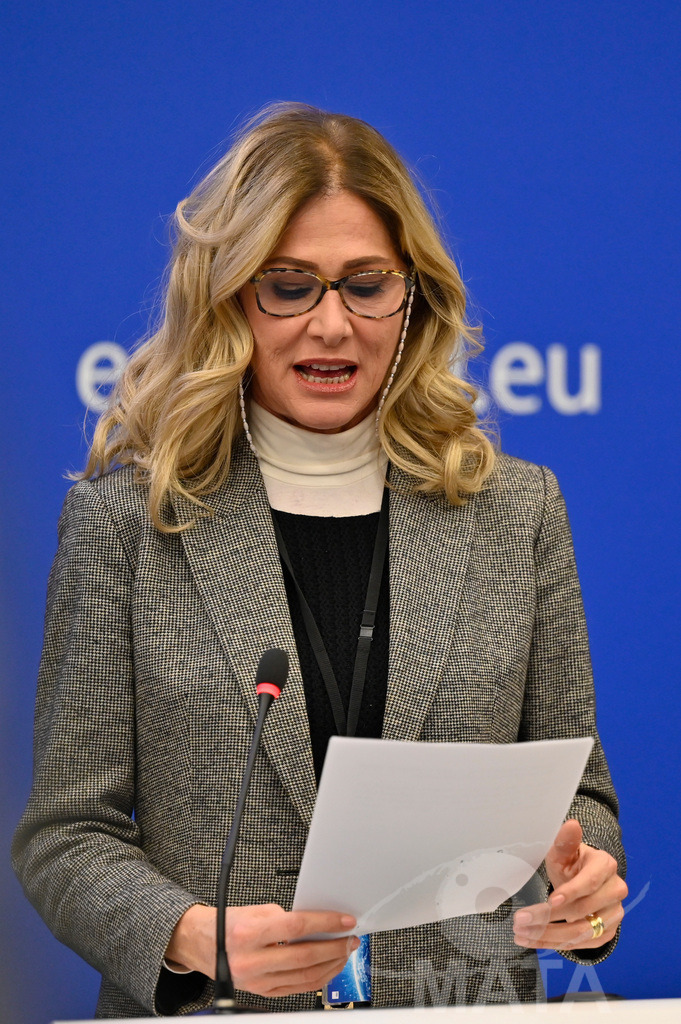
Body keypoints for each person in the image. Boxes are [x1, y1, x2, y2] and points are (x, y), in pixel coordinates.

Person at [13, 103, 626, 1017]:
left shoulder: (516, 512)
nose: (332, 324)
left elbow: (579, 797)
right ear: (229, 297)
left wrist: (586, 887)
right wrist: (195, 936)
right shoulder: (125, 525)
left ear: (412, 298)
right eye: (289, 286)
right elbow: (67, 835)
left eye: (365, 285)